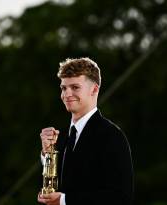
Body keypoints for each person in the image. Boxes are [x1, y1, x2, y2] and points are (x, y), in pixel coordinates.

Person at [38, 57, 134, 205]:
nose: (67, 94)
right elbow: (57, 189)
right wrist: (47, 154)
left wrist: (64, 201)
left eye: (75, 87)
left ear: (94, 89)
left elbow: (120, 197)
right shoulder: (61, 137)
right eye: (64, 88)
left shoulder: (112, 136)